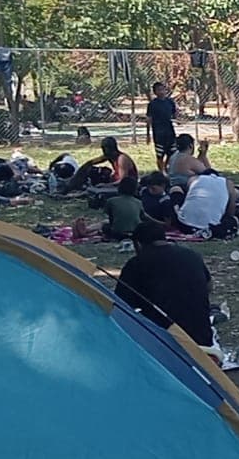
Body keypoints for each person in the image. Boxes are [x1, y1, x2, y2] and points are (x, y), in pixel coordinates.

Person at [116, 218, 215, 349]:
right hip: (202, 336)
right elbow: (209, 286)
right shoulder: (191, 255)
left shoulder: (137, 264)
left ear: (138, 244)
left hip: (166, 341)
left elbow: (120, 304)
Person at [67, 137, 138, 192]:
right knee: (92, 170)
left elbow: (123, 181)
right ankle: (71, 188)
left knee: (97, 190)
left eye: (105, 149)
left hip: (126, 187)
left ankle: (76, 194)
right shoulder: (109, 156)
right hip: (114, 182)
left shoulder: (122, 159)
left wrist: (106, 185)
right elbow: (89, 163)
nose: (104, 151)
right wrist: (76, 179)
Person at [145, 81, 177, 172]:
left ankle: (166, 169)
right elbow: (149, 119)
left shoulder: (170, 102)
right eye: (159, 90)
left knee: (172, 153)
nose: (162, 92)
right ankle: (161, 171)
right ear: (155, 92)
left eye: (163, 89)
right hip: (158, 132)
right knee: (160, 154)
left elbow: (174, 115)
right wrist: (148, 135)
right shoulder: (152, 104)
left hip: (170, 131)